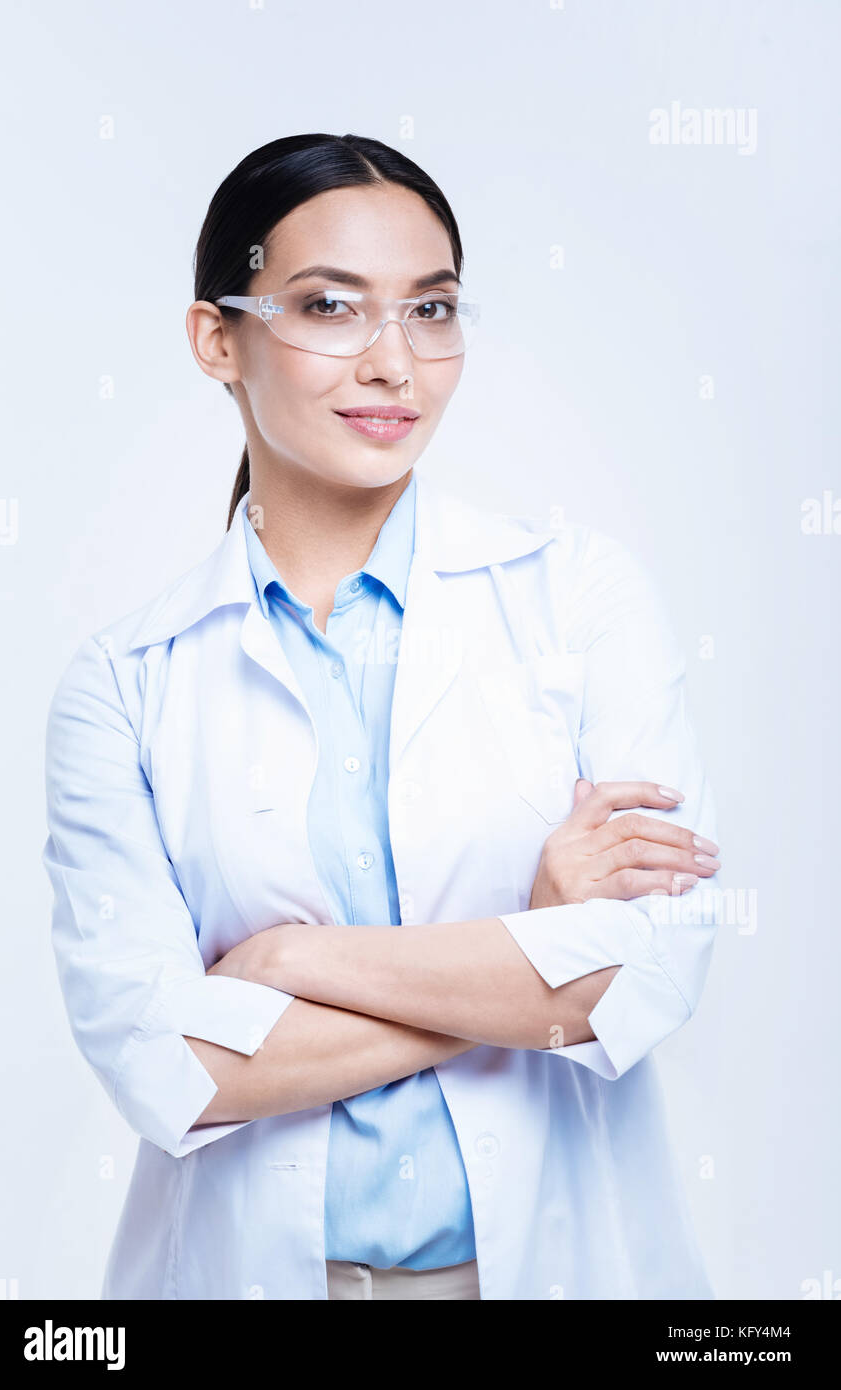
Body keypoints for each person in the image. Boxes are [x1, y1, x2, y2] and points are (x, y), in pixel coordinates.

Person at [42, 133, 722, 1301]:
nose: (393, 362)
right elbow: (172, 1068)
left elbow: (645, 974)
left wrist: (306, 964)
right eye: (329, 306)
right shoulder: (125, 682)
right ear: (219, 338)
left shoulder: (578, 597)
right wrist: (526, 950)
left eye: (433, 309)